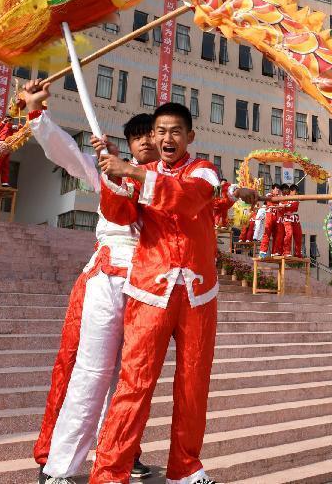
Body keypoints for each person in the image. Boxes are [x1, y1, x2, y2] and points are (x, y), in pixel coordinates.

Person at [91, 102, 257, 484]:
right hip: (150, 289)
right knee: (135, 381)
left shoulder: (203, 172)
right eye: (161, 131)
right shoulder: (141, 173)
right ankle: (109, 472)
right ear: (152, 136)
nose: (168, 138)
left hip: (199, 293)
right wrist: (111, 175)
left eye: (176, 131)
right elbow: (119, 215)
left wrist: (128, 171)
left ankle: (185, 468)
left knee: (193, 385)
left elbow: (186, 198)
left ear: (190, 137)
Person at [22, 81, 156, 483]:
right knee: (90, 371)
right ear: (130, 145)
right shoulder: (108, 172)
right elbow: (68, 154)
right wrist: (36, 115)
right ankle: (60, 464)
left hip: (151, 287)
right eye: (138, 138)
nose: (147, 143)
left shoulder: (171, 183)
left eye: (153, 135)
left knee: (134, 377)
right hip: (107, 280)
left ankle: (121, 451)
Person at [0, 115, 20, 187]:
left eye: (10, 119)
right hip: (1, 144)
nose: (9, 120)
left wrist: (19, 127)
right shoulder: (1, 125)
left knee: (5, 165)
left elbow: (17, 134)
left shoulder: (12, 126)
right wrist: (4, 122)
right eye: (8, 119)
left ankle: (4, 181)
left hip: (8, 146)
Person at [258, 184, 282, 258]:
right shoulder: (269, 195)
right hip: (270, 215)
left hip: (277, 216)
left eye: (279, 190)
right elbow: (269, 201)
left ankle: (275, 252)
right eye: (276, 189)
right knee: (267, 233)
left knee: (277, 234)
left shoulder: (280, 197)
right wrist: (278, 200)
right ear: (272, 189)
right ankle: (262, 252)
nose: (278, 191)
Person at [281, 187, 303, 257]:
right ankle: (286, 252)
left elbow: (295, 208)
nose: (296, 193)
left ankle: (298, 253)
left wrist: (287, 206)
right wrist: (286, 207)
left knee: (299, 235)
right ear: (291, 191)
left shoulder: (296, 198)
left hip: (295, 218)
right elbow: (282, 208)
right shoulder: (284, 197)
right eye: (295, 192)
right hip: (287, 218)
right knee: (289, 234)